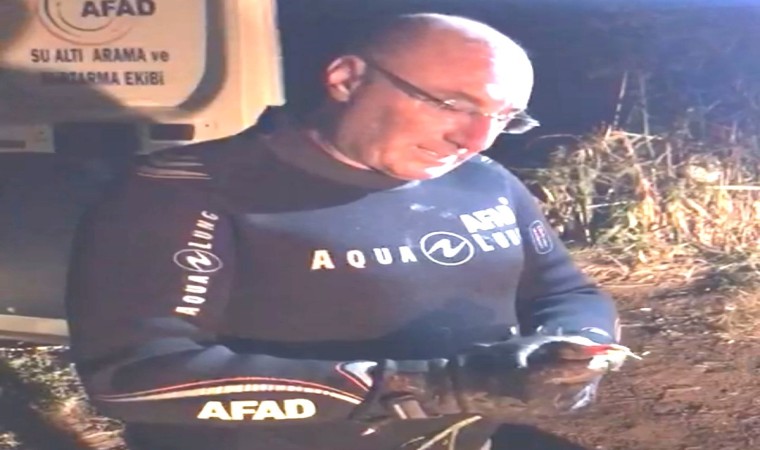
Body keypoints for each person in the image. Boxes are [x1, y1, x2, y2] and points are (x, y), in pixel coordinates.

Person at [65, 13, 624, 450]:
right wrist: (431, 387)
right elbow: (134, 378)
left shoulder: (485, 179)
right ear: (347, 79)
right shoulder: (188, 190)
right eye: (452, 104)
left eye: (504, 118)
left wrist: (571, 352)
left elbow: (566, 291)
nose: (475, 138)